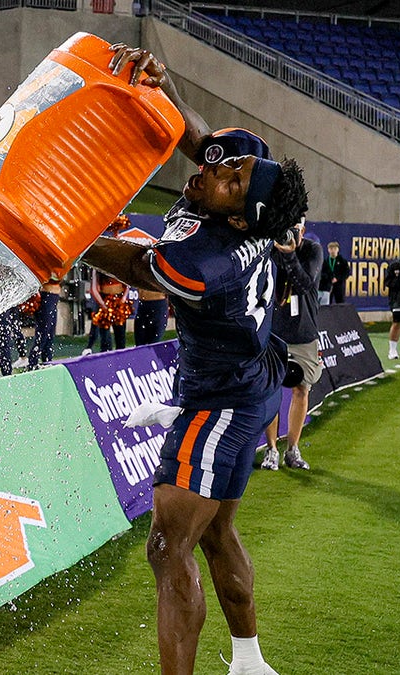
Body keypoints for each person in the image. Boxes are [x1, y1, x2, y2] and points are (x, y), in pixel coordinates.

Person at [81, 45, 308, 675]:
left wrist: (61, 236)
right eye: (230, 168)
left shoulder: (209, 261)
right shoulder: (238, 200)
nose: (218, 170)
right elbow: (204, 143)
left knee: (166, 547)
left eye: (231, 180)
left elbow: (136, 266)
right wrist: (168, 85)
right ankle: (250, 661)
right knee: (215, 533)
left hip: (218, 404)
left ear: (239, 217)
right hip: (251, 384)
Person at [260, 229, 322, 472]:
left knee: (301, 389)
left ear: (303, 229)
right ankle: (271, 448)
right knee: (270, 391)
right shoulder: (268, 249)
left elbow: (304, 283)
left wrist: (289, 254)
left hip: (303, 333)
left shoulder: (312, 250)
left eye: (296, 226)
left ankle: (292, 449)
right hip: (274, 333)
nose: (291, 231)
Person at [26, 279, 60, 369]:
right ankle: (33, 363)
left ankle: (47, 361)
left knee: (50, 334)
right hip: (47, 295)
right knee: (43, 333)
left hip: (53, 296)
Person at [318, 240, 350, 305]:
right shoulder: (325, 261)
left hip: (339, 285)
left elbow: (346, 273)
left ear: (338, 250)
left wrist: (337, 278)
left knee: (340, 302)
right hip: (327, 286)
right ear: (328, 250)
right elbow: (321, 272)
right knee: (327, 303)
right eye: (331, 248)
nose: (333, 250)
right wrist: (328, 278)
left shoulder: (342, 261)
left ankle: (341, 315)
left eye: (335, 249)